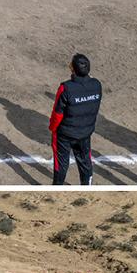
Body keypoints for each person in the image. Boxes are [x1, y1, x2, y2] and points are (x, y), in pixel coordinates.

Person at [49, 53, 101, 186]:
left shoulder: (66, 88)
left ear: (72, 68)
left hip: (65, 135)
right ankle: (87, 187)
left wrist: (53, 128)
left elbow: (57, 114)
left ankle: (57, 188)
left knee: (61, 164)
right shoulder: (97, 85)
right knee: (85, 162)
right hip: (85, 133)